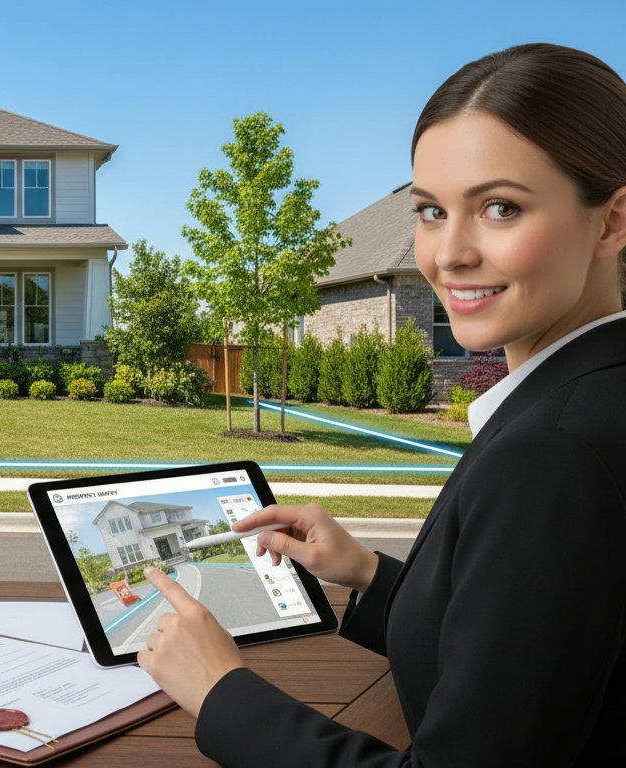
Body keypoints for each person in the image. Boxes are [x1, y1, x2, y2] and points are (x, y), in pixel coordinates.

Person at [136, 42, 626, 766]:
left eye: (499, 208)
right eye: (431, 210)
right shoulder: (591, 395)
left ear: (612, 223)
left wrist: (220, 692)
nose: (449, 254)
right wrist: (366, 572)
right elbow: (532, 653)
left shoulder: (550, 454)